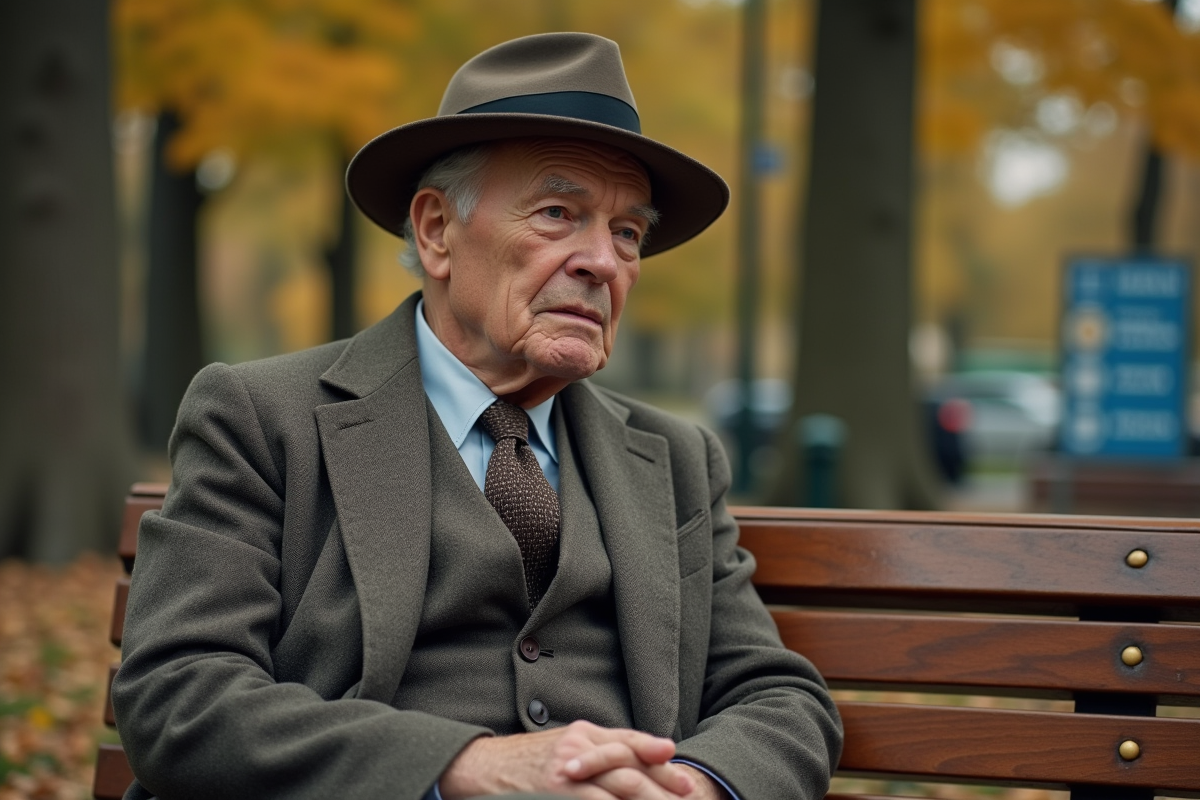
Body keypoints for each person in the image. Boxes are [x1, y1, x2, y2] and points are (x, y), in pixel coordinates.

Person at [112, 32, 842, 800]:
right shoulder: (262, 417)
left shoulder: (677, 458)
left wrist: (688, 788)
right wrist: (464, 769)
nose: (603, 261)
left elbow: (779, 700)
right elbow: (179, 693)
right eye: (559, 213)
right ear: (436, 232)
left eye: (627, 232)